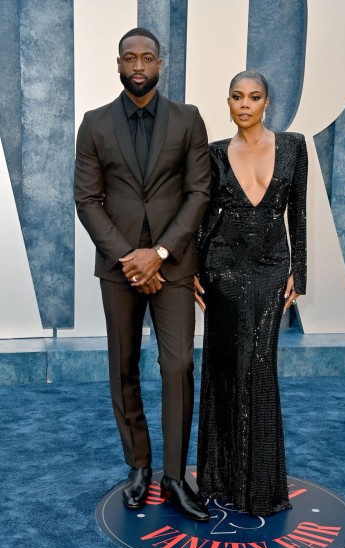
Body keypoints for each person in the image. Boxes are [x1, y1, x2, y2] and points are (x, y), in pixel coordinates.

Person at [74, 28, 211, 521]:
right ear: (117, 64)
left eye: (147, 58)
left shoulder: (188, 119)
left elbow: (199, 192)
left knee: (177, 368)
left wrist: (159, 253)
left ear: (160, 64)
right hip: (119, 269)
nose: (138, 65)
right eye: (129, 58)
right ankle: (139, 466)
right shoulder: (93, 124)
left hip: (172, 265)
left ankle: (175, 476)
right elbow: (87, 200)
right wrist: (131, 258)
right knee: (123, 367)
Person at [195, 70, 307, 516]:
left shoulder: (294, 146)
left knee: (259, 365)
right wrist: (193, 273)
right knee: (224, 366)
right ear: (228, 103)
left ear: (267, 102)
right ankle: (221, 479)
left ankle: (260, 486)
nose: (245, 104)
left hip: (270, 266)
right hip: (221, 266)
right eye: (237, 97)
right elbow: (204, 216)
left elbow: (297, 211)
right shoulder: (215, 153)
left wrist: (299, 268)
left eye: (254, 97)